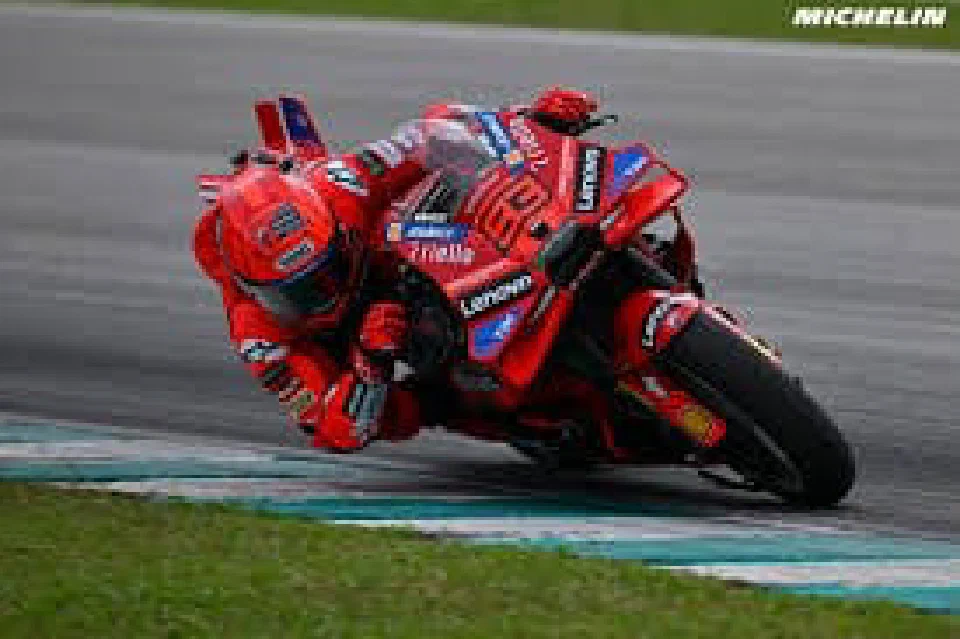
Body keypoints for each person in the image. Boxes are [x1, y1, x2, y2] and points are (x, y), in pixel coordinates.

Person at [192, 88, 599, 451]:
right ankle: (496, 413)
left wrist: (529, 124)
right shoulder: (258, 336)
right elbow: (334, 431)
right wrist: (369, 364)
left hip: (401, 259)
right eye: (299, 294)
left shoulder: (344, 185)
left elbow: (432, 132)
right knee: (406, 411)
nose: (327, 295)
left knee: (459, 171)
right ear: (255, 290)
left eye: (329, 271)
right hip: (363, 350)